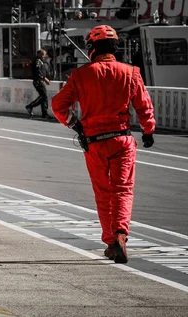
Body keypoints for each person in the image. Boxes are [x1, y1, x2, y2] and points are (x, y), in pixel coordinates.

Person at [52, 25, 156, 264]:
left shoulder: (81, 75)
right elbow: (144, 106)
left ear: (91, 49)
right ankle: (121, 233)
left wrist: (74, 124)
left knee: (103, 193)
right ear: (115, 48)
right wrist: (148, 131)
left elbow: (58, 105)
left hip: (94, 143)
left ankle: (110, 241)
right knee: (123, 190)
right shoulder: (131, 72)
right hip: (122, 140)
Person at [25, 49, 53, 119]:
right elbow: (37, 71)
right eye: (43, 55)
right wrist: (44, 78)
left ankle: (43, 112)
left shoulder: (40, 61)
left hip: (39, 80)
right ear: (40, 54)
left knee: (43, 97)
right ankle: (32, 107)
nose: (44, 57)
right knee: (44, 96)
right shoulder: (37, 61)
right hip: (38, 81)